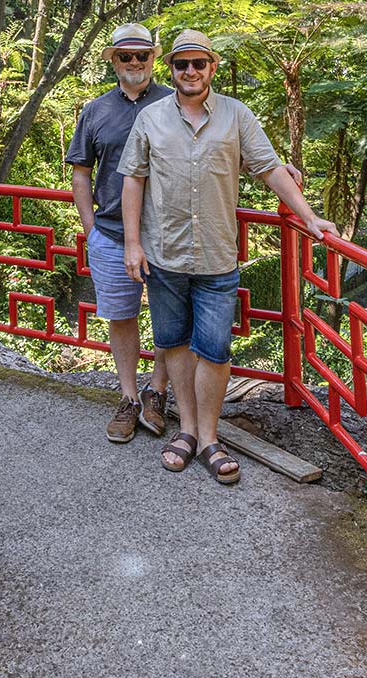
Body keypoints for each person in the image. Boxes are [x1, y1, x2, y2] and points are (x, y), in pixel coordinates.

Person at [120, 29, 334, 485]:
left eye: (199, 63)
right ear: (171, 70)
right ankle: (189, 432)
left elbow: (270, 168)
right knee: (174, 343)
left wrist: (311, 219)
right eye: (182, 65)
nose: (191, 72)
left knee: (215, 350)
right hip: (164, 254)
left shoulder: (237, 116)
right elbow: (133, 180)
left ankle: (211, 438)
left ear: (212, 67)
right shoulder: (151, 119)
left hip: (217, 255)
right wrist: (133, 244)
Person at [66, 23, 174, 444]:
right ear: (112, 59)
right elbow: (80, 172)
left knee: (170, 319)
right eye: (125, 56)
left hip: (166, 233)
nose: (134, 63)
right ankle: (128, 397)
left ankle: (157, 392)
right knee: (121, 316)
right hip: (110, 234)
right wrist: (90, 227)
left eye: (142, 55)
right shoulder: (95, 111)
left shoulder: (175, 101)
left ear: (153, 58)